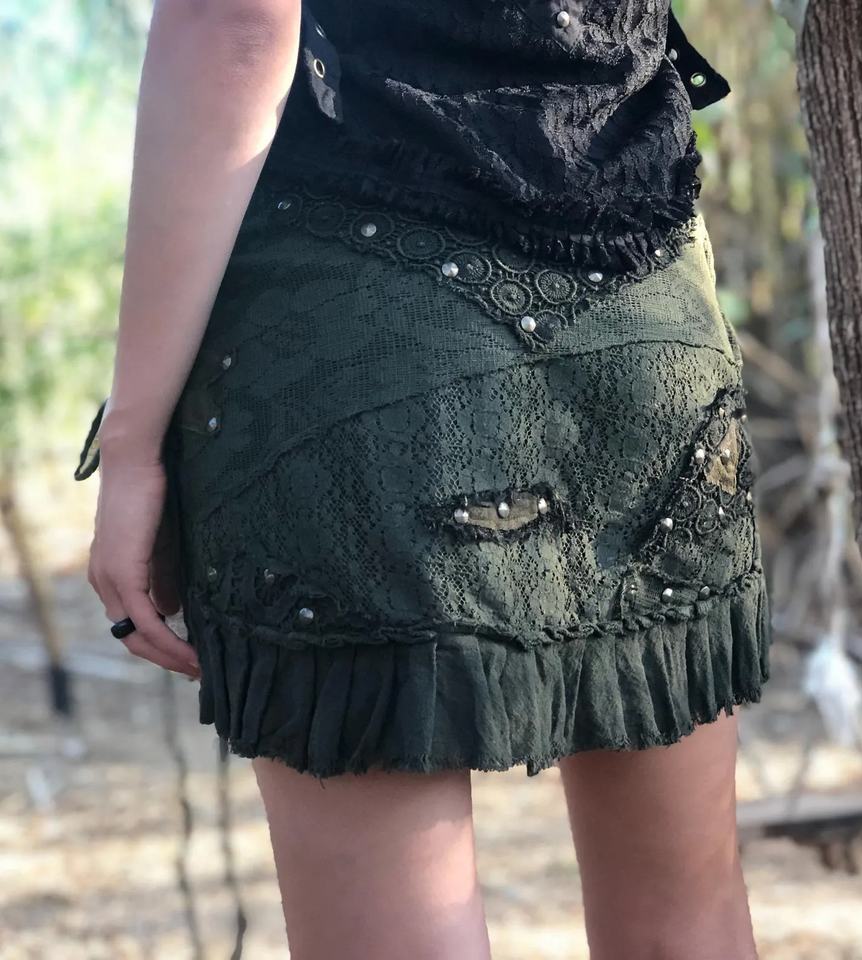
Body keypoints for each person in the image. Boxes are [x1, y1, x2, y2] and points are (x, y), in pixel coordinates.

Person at [78, 0, 771, 956]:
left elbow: (233, 21)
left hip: (358, 333)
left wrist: (131, 446)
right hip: (649, 309)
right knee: (684, 923)